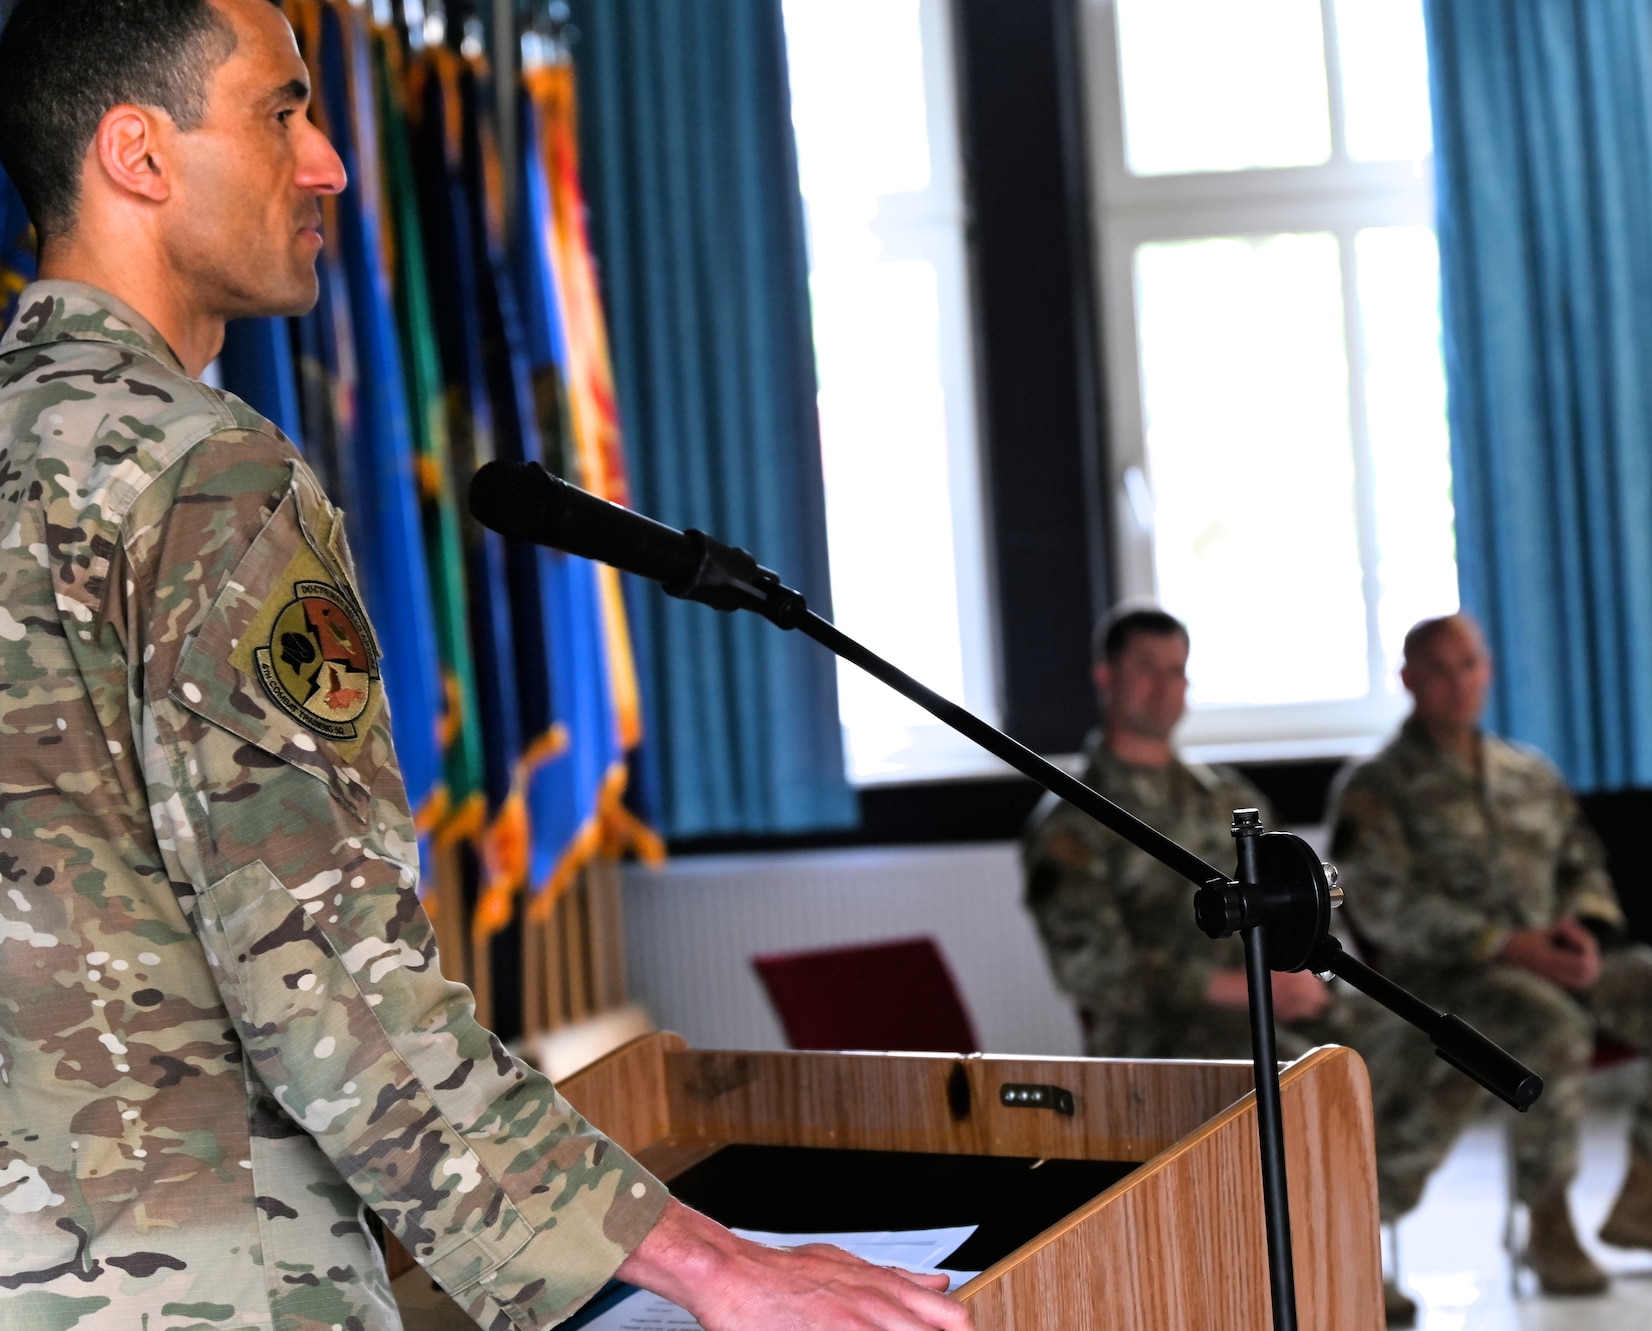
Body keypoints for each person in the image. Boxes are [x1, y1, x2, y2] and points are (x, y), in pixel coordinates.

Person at [0, 3, 972, 1328]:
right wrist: (714, 1262)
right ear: (138, 153)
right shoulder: (205, 482)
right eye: (283, 113)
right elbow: (324, 978)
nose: (332, 160)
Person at [1331, 613, 1652, 1320]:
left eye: (1468, 664)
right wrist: (1503, 942)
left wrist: (1583, 929)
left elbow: (1584, 863)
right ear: (1406, 680)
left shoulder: (1530, 773)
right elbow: (1383, 906)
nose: (1456, 682)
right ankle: (1547, 1224)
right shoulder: (1376, 787)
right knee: (1545, 1027)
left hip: (1560, 960)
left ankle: (1646, 1195)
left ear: (1488, 670)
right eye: (1436, 668)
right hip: (1451, 979)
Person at [1023, 605, 1341, 1060]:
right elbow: (1092, 970)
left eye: (1177, 671)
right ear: (1105, 677)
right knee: (1304, 1077)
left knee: (1398, 1044)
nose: (1165, 687)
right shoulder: (1073, 822)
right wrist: (1244, 987)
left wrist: (1304, 970)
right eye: (1146, 668)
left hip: (1278, 998)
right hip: (1165, 1035)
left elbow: (1302, 897)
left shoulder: (1226, 796)